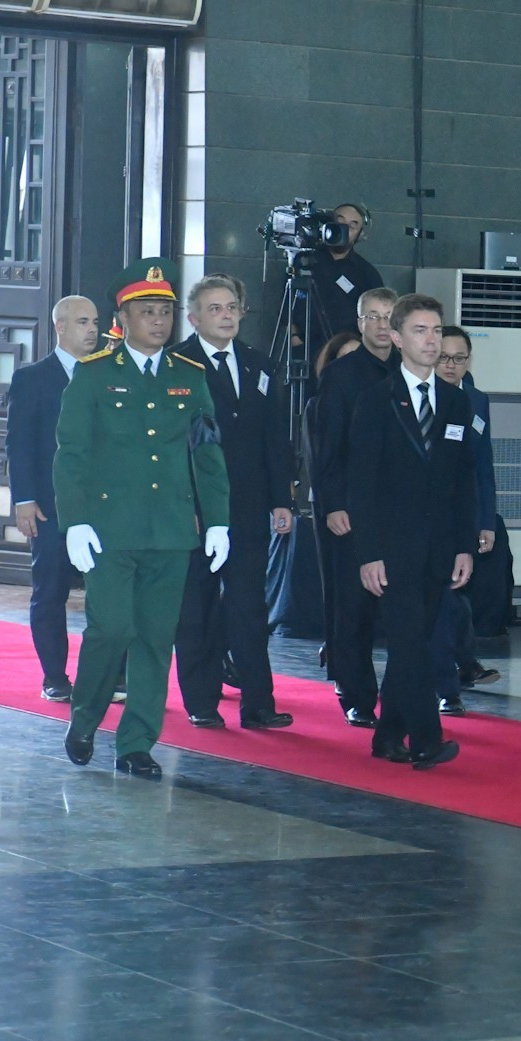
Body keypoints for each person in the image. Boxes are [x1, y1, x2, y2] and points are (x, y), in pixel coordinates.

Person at [56, 261, 231, 779]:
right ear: (122, 318)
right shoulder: (94, 375)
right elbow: (72, 453)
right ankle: (85, 717)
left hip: (171, 531)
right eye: (147, 312)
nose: (158, 321)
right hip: (110, 529)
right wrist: (75, 522)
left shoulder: (190, 377)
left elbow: (207, 454)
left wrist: (217, 520)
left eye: (166, 312)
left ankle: (136, 742)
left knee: (156, 638)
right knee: (111, 627)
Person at [345, 294, 478, 770]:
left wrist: (465, 545)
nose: (431, 340)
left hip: (438, 546)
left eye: (436, 330)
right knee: (411, 644)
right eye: (420, 331)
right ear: (398, 338)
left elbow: (463, 480)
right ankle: (425, 737)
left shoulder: (456, 402)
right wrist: (368, 552)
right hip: (392, 547)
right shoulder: (376, 401)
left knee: (412, 643)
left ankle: (387, 735)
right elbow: (360, 483)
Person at [173, 274, 295, 732]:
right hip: (196, 510)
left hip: (247, 507)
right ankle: (201, 701)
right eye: (216, 309)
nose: (227, 316)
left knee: (249, 607)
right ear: (194, 318)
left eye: (232, 307)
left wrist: (281, 497)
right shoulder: (176, 364)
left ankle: (258, 703)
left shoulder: (259, 364)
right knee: (198, 606)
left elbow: (274, 440)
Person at [8, 295, 104, 702]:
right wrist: (24, 498)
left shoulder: (107, 375)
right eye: (83, 322)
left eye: (96, 321)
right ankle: (55, 676)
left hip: (102, 505)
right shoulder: (32, 378)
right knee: (51, 591)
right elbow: (20, 444)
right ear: (60, 326)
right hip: (49, 506)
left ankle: (106, 675)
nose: (93, 329)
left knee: (107, 593)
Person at [312, 286, 400, 728]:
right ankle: (355, 694)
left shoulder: (412, 370)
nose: (383, 326)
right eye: (375, 317)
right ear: (360, 322)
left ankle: (402, 696)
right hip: (351, 509)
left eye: (390, 316)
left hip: (400, 510)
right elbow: (325, 447)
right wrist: (331, 504)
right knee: (352, 609)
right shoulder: (342, 375)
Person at [431, 325, 501, 711]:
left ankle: (459, 668)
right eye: (444, 357)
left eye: (459, 358)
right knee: (445, 602)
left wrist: (486, 521)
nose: (451, 365)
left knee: (455, 599)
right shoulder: (420, 397)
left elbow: (482, 465)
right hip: (427, 517)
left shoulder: (477, 400)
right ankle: (450, 682)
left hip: (465, 516)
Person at [299, 203, 379, 364]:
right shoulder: (303, 260)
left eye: (353, 225)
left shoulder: (367, 273)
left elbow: (377, 315)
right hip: (304, 349)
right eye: (340, 221)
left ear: (359, 235)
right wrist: (294, 338)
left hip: (347, 353)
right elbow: (287, 301)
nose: (345, 229)